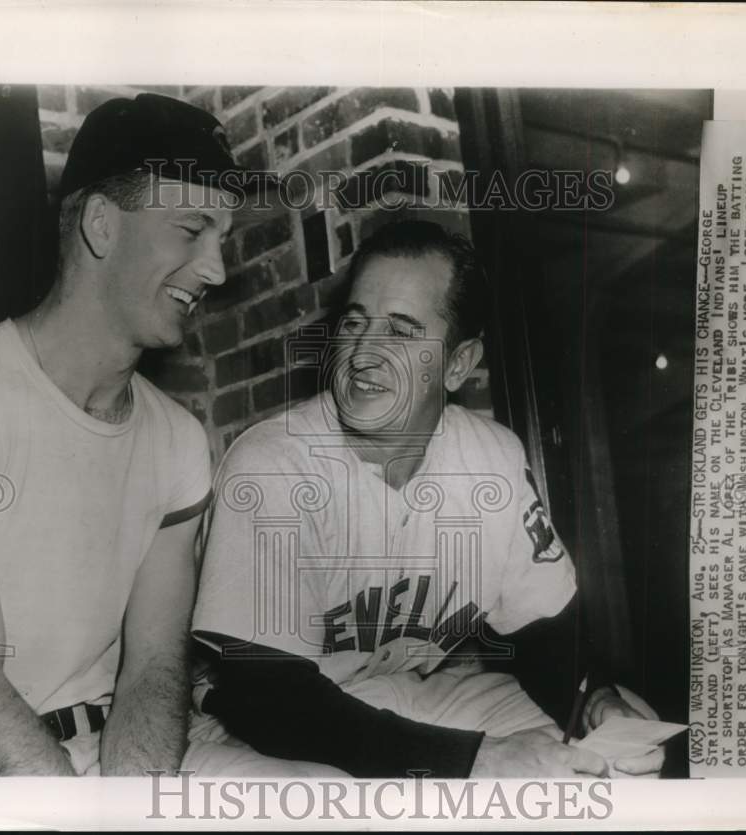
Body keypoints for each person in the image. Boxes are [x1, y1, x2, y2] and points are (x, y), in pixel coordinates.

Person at [185, 219, 666, 778]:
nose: (364, 353)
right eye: (355, 324)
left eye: (401, 331)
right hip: (255, 720)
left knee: (622, 747)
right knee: (333, 802)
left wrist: (594, 700)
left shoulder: (493, 457)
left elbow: (545, 634)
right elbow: (268, 699)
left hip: (411, 693)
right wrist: (475, 760)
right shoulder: (273, 466)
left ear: (458, 364)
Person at [0, 93, 253, 776]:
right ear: (101, 225)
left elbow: (152, 668)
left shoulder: (175, 438)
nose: (216, 269)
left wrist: (124, 808)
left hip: (111, 750)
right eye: (191, 230)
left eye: (222, 241)